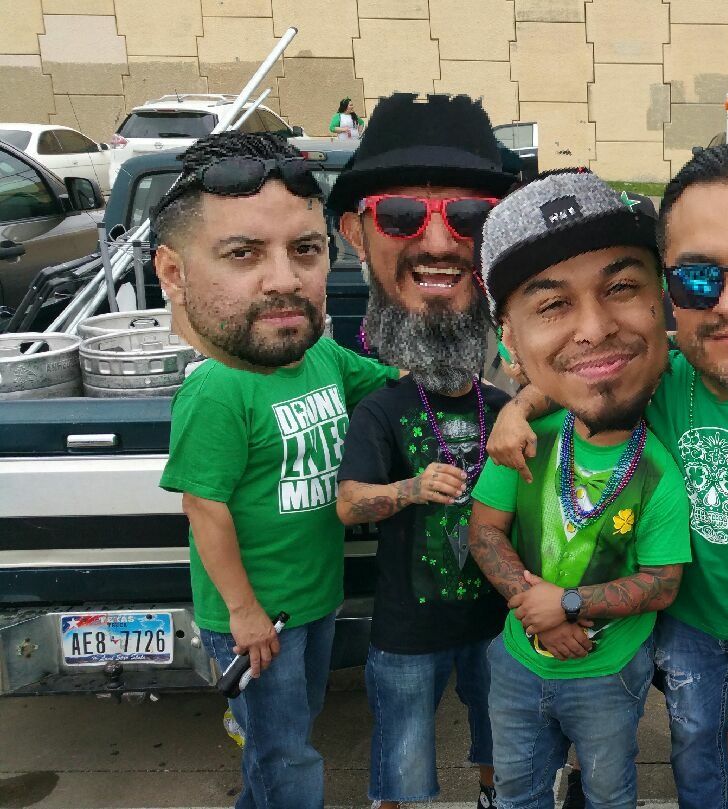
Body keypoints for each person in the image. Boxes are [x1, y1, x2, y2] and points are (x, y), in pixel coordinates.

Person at [489, 144, 728, 809]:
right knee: (694, 739)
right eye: (697, 280)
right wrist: (520, 407)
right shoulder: (668, 375)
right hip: (689, 621)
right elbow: (591, 376)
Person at [153, 131, 397, 809]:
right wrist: (244, 614)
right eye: (244, 253)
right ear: (173, 273)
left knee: (287, 733)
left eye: (305, 250)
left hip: (313, 600)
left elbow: (390, 382)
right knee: (286, 754)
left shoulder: (317, 356)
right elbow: (204, 509)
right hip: (258, 620)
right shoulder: (217, 391)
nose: (285, 280)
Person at [468, 168, 693, 809]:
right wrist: (535, 606)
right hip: (518, 661)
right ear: (508, 341)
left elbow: (663, 583)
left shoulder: (657, 471)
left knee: (609, 792)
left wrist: (566, 605)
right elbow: (484, 530)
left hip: (608, 672)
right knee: (517, 790)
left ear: (663, 302)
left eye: (620, 287)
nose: (594, 327)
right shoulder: (524, 440)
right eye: (552, 304)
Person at [330, 93, 516, 809]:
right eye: (403, 214)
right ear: (355, 232)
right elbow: (350, 503)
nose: (439, 241)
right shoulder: (380, 408)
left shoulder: (506, 405)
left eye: (469, 216)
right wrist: (411, 489)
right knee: (401, 763)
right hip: (408, 632)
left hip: (495, 624)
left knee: (502, 743)